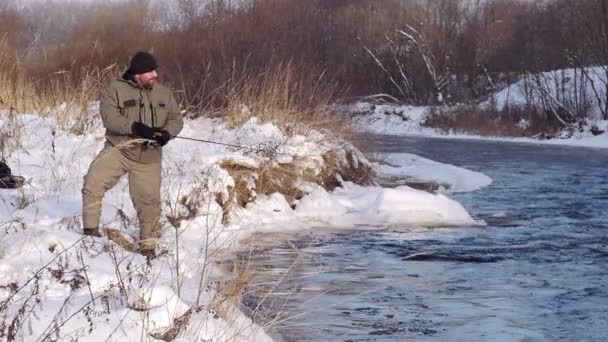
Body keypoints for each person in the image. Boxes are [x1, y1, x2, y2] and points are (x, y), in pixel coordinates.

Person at [81, 51, 183, 257]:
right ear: (137, 74)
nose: (155, 74)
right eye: (150, 71)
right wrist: (135, 127)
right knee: (92, 183)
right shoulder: (115, 89)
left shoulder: (164, 93)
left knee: (149, 202)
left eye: (155, 70)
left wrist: (166, 134)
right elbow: (110, 119)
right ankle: (90, 233)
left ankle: (148, 246)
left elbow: (176, 120)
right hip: (119, 150)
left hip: (148, 158)